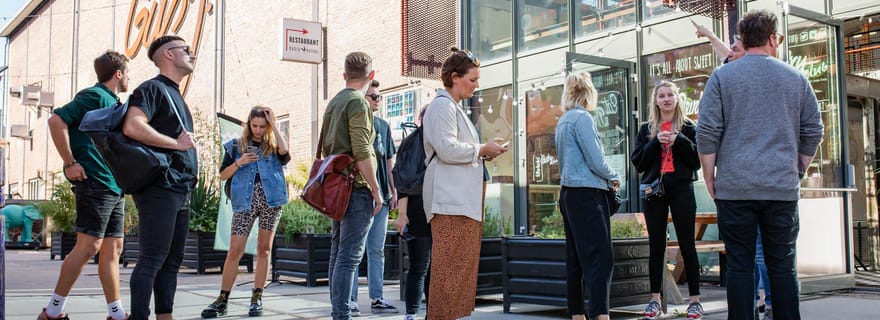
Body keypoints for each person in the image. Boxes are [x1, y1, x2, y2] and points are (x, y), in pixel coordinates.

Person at [696, 10, 824, 320]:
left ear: (743, 40)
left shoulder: (722, 77)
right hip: (780, 188)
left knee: (740, 264)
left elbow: (707, 131)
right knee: (781, 264)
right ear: (770, 39)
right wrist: (799, 168)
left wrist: (710, 175)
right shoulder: (795, 77)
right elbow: (813, 130)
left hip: (735, 187)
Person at [41, 51, 131, 320]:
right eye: (127, 72)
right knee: (89, 246)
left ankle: (116, 314)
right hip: (94, 182)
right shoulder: (93, 96)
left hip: (114, 185)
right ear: (118, 73)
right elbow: (56, 120)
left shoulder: (114, 102)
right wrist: (70, 163)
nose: (128, 77)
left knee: (113, 249)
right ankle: (52, 312)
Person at [421, 47, 508, 320]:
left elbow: (456, 150)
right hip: (451, 203)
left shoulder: (453, 108)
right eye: (472, 79)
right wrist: (482, 149)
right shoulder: (441, 106)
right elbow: (446, 149)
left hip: (460, 203)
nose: (476, 85)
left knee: (458, 277)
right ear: (455, 77)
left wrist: (483, 151)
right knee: (449, 276)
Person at [696, 23, 772, 318]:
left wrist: (709, 174)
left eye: (735, 48)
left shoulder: (742, 82)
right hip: (752, 182)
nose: (729, 54)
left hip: (746, 183)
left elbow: (707, 131)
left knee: (757, 253)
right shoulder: (732, 79)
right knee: (752, 254)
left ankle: (764, 306)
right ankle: (754, 304)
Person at [122, 35, 199, 320]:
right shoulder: (152, 89)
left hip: (179, 188)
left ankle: (165, 316)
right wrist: (175, 144)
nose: (192, 53)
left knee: (171, 262)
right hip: (160, 187)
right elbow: (132, 125)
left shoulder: (175, 92)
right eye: (186, 49)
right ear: (168, 54)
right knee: (152, 259)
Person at [200, 106, 290, 318]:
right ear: (249, 125)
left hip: (272, 201)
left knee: (264, 249)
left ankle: (257, 297)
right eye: (254, 125)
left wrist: (275, 125)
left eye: (262, 126)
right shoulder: (235, 146)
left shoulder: (273, 146)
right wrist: (239, 162)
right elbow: (222, 175)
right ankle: (222, 299)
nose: (258, 130)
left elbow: (285, 153)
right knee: (235, 251)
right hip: (245, 202)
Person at [631, 81, 703, 319]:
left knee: (687, 245)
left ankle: (695, 300)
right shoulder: (646, 128)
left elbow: (696, 162)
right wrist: (655, 142)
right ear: (656, 101)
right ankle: (654, 300)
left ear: (677, 98)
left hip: (682, 188)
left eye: (670, 95)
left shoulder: (689, 127)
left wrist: (679, 140)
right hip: (655, 192)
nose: (666, 99)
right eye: (661, 96)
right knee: (656, 247)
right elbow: (638, 163)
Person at [324, 51, 384, 320]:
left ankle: (339, 311)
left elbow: (327, 147)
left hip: (336, 187)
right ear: (370, 76)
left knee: (338, 253)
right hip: (356, 187)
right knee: (349, 257)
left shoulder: (334, 102)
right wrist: (376, 189)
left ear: (344, 75)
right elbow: (362, 149)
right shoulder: (358, 103)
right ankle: (342, 314)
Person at [554, 72, 619, 320]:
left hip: (569, 193)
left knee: (576, 259)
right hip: (587, 193)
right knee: (601, 257)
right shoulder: (582, 118)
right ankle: (601, 315)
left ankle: (577, 315)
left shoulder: (564, 120)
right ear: (589, 93)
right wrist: (614, 176)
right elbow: (596, 160)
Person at [349, 79, 399, 315]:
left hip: (383, 198)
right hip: (360, 196)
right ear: (363, 99)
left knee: (376, 249)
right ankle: (350, 299)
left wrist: (394, 189)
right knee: (355, 250)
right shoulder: (356, 123)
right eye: (374, 96)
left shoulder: (384, 126)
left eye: (379, 96)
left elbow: (389, 161)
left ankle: (377, 297)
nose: (378, 100)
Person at [394, 105, 432, 320]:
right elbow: (404, 183)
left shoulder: (440, 142)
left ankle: (431, 313)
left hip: (438, 210)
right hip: (418, 211)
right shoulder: (412, 143)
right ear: (421, 118)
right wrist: (402, 214)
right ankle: (411, 313)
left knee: (434, 268)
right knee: (419, 265)